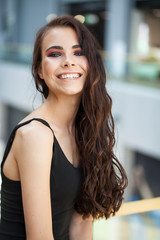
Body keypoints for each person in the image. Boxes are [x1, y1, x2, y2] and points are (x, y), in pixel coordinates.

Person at [0, 15, 128, 240]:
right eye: (55, 54)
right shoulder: (35, 135)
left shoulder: (85, 132)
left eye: (78, 52)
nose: (68, 61)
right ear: (40, 70)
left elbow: (80, 224)